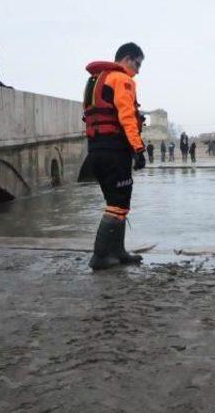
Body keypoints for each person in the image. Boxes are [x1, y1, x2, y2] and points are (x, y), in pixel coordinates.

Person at [82, 42, 147, 270]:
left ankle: (117, 252)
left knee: (117, 202)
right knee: (118, 203)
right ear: (127, 59)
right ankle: (100, 256)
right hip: (114, 150)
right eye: (137, 64)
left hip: (97, 149)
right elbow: (127, 117)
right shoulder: (122, 80)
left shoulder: (96, 80)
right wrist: (138, 149)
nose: (138, 70)